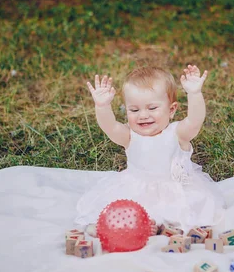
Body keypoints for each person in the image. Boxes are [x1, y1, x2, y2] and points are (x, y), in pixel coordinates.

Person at [75, 65, 225, 232]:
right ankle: (139, 227)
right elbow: (110, 127)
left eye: (152, 108)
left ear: (172, 110)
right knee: (122, 215)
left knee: (187, 214)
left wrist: (194, 93)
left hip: (173, 193)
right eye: (134, 109)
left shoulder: (178, 133)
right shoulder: (130, 136)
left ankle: (163, 227)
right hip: (136, 190)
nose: (143, 115)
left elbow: (195, 121)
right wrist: (102, 106)